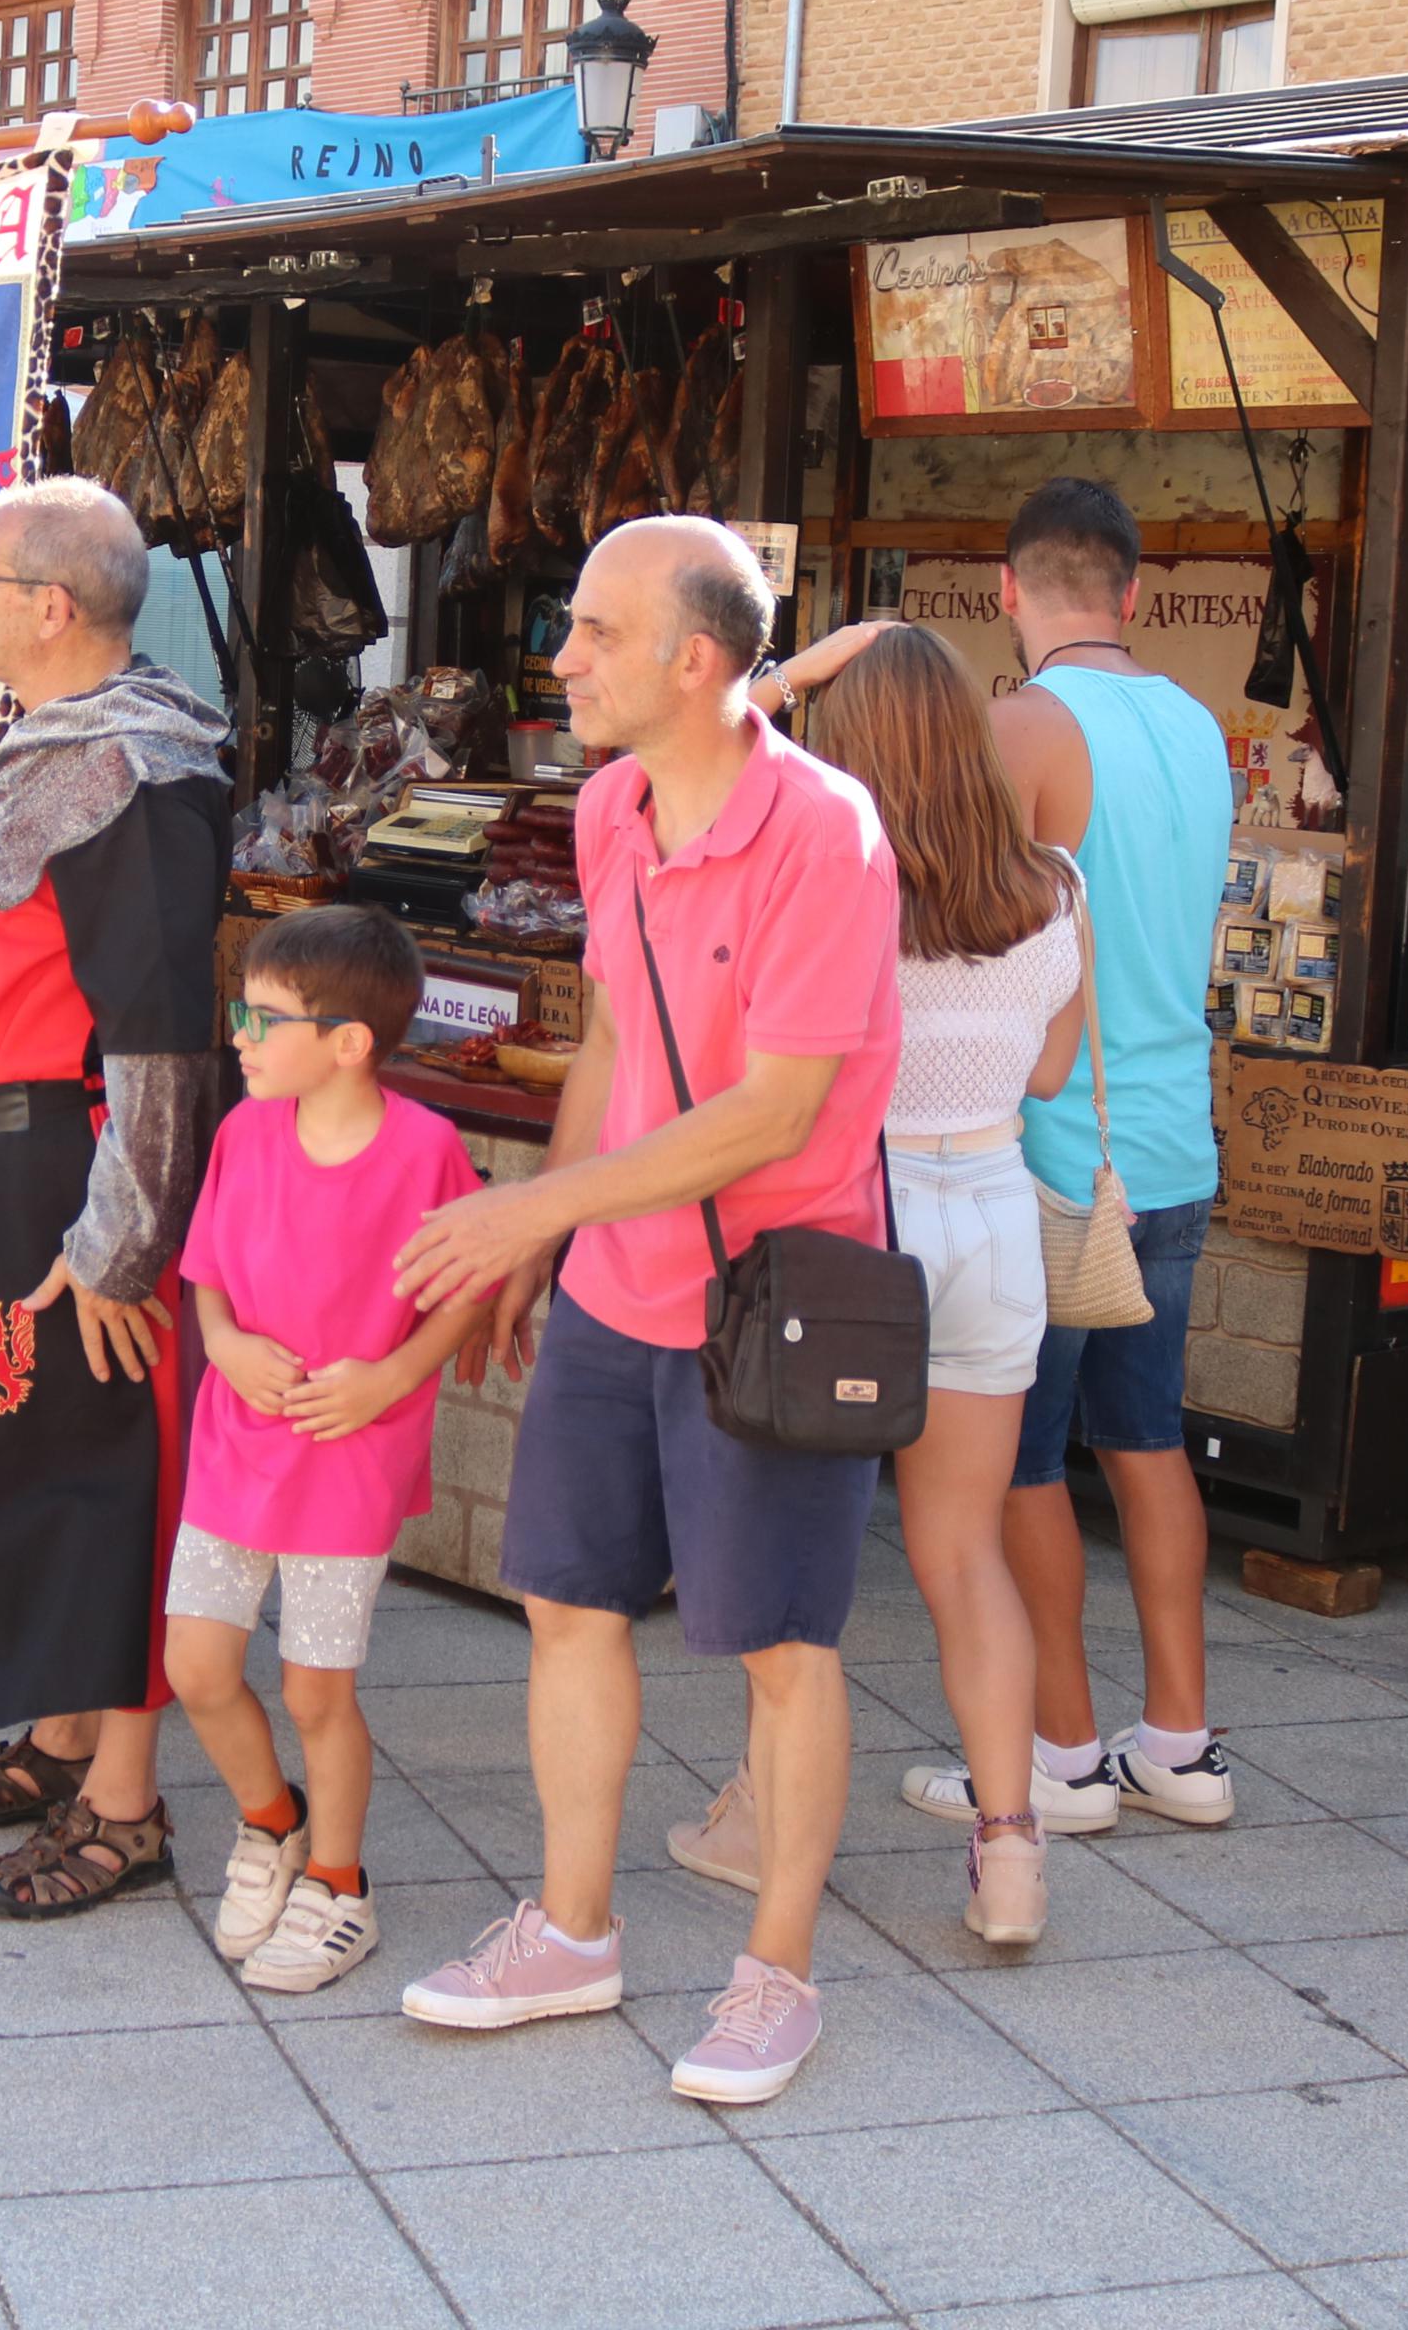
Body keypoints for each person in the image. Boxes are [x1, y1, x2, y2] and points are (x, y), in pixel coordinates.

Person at [387, 514, 900, 2107]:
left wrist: (526, 1208)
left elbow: (774, 1113)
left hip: (772, 1300)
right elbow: (611, 1044)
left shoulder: (826, 832)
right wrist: (546, 1239)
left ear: (692, 659)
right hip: (617, 1284)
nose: (561, 659)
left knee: (779, 1646)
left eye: (592, 632)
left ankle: (777, 1975)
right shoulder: (609, 807)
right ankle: (574, 1926)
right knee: (563, 1600)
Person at [0, 477, 231, 1921]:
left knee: (102, 1475)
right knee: (3, 1439)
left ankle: (126, 1801)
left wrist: (121, 1244)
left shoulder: (136, 771)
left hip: (77, 1186)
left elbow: (157, 1034)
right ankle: (60, 1728)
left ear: (48, 602)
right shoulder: (39, 748)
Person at [729, 618, 1084, 1946]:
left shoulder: (829, 873)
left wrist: (783, 677)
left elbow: (688, 762)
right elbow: (1048, 1076)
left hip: (852, 1226)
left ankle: (763, 1822)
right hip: (992, 1212)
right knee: (960, 1553)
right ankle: (1008, 1854)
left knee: (800, 1558)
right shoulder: (1052, 886)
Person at [982, 478, 1242, 1833]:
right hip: (1168, 1135)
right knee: (1145, 1443)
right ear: (1133, 597)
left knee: (1022, 1461)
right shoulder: (1197, 728)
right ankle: (1181, 1746)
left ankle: (1063, 1753)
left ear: (1006, 593)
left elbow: (964, 932)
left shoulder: (1019, 725)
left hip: (1045, 1147)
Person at [164, 906, 484, 1993]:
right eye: (239, 1011)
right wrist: (222, 1344)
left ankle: (340, 1886)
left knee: (315, 1692)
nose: (240, 1035)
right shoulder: (241, 1131)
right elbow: (205, 1267)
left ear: (349, 1041)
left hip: (348, 1453)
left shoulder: (424, 1150)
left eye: (264, 1017)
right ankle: (271, 1821)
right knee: (195, 1667)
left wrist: (393, 1377)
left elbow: (462, 1290)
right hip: (235, 1438)